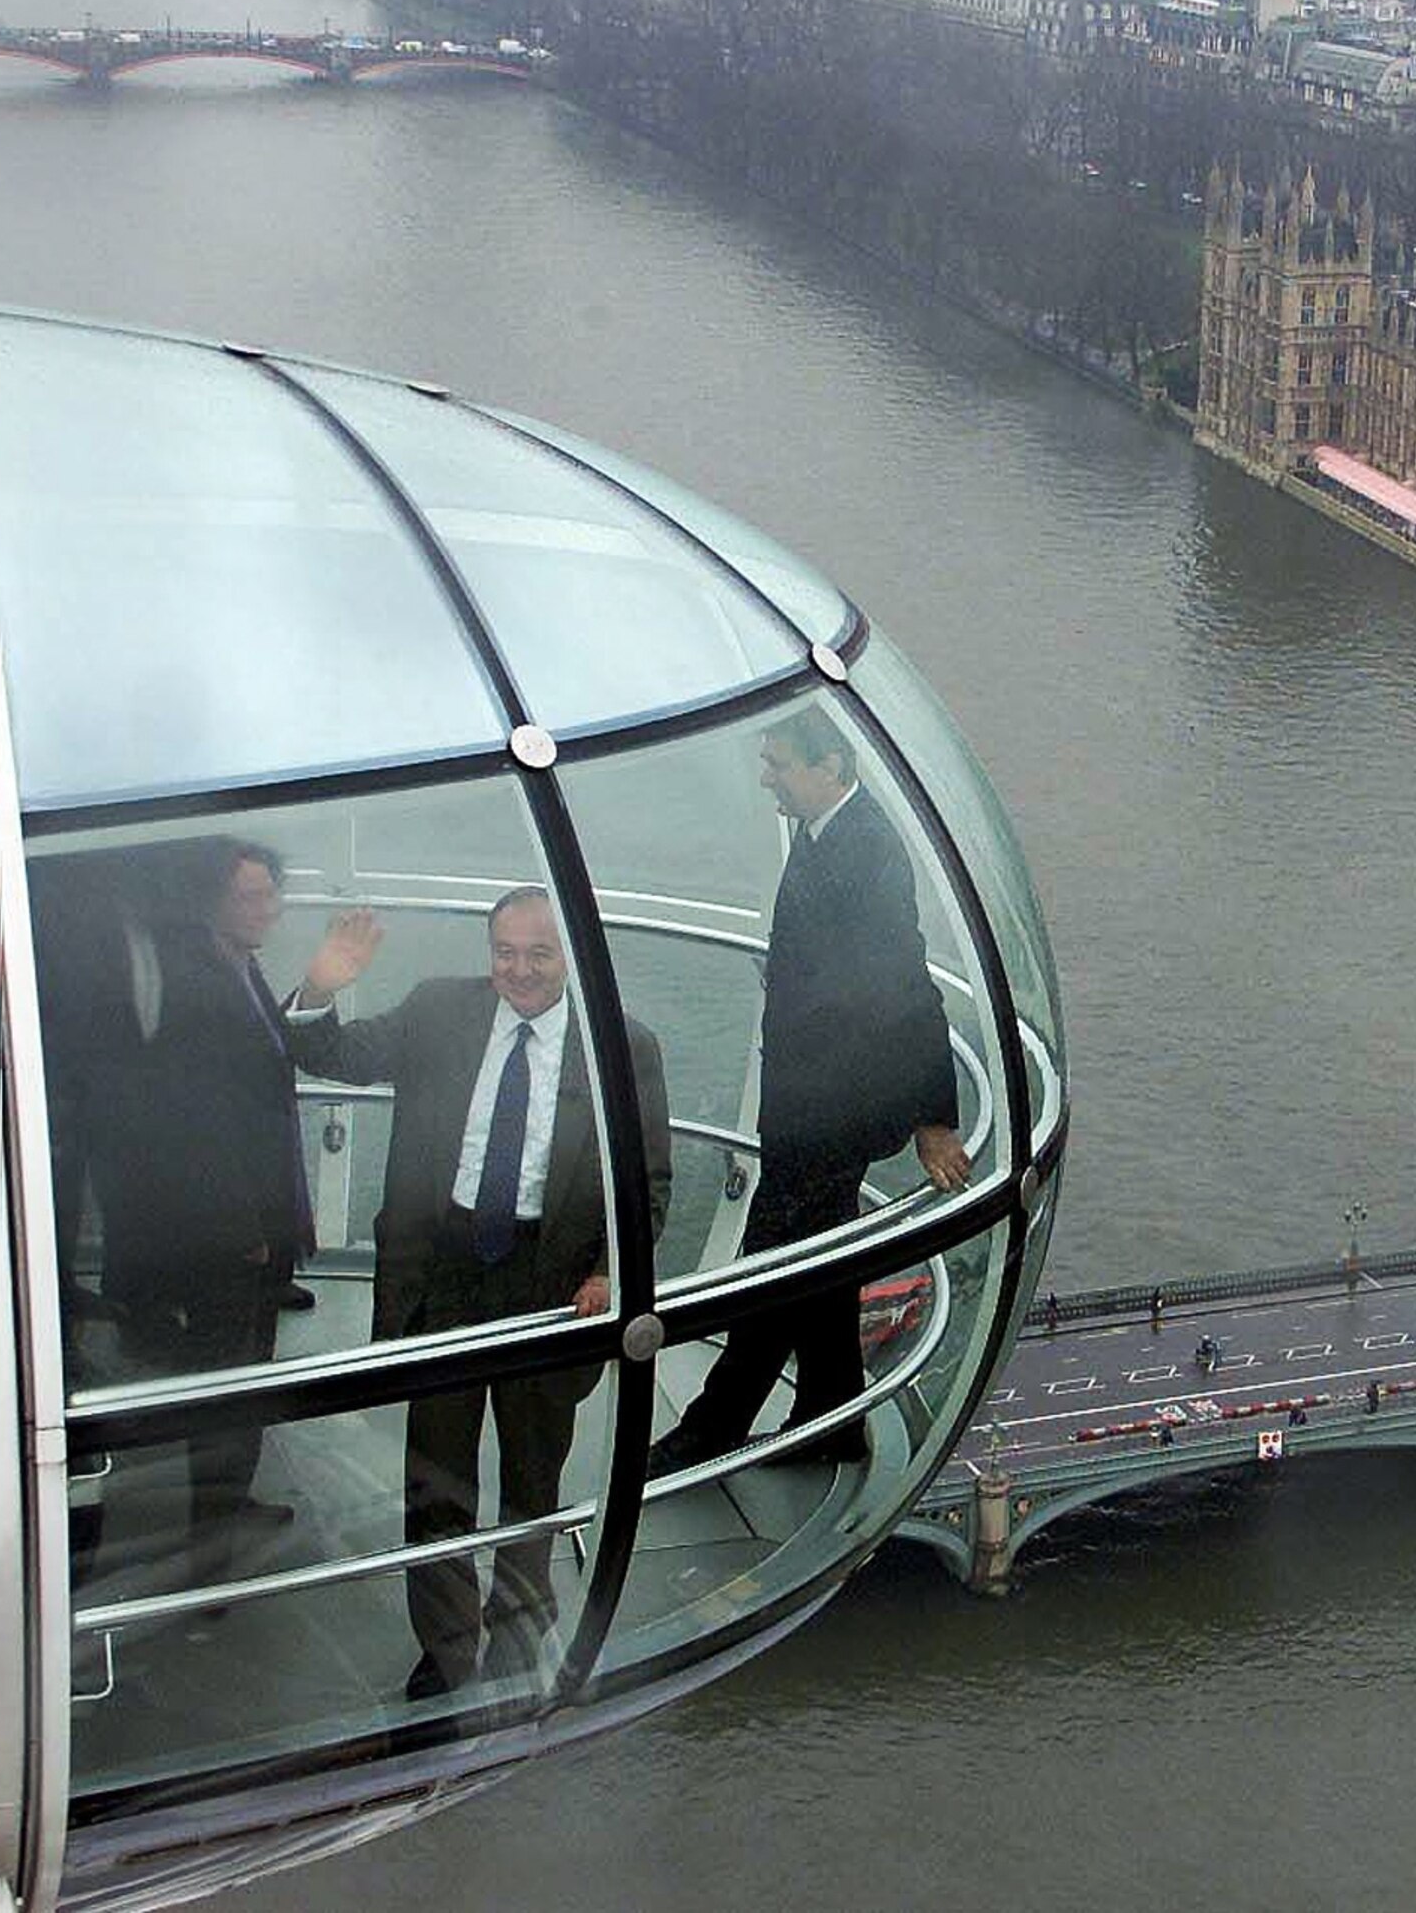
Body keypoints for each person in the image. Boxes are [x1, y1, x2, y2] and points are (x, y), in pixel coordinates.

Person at [286, 887, 671, 1703]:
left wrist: (608, 1271)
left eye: (539, 954)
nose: (520, 971)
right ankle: (448, 1648)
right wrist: (320, 988)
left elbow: (649, 1182)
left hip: (550, 1284)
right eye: (505, 953)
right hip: (447, 1273)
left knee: (534, 1475)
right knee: (435, 1477)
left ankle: (519, 1633)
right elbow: (336, 1057)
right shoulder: (438, 1013)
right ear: (487, 950)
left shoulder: (622, 1046)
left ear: (570, 956)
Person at [650, 711, 965, 1472]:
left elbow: (909, 989)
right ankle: (831, 1422)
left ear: (832, 766)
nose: (768, 778)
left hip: (836, 1112)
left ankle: (713, 1427)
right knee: (820, 1269)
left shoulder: (867, 851)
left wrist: (935, 1120)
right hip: (808, 1101)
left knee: (775, 1265)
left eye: (780, 766)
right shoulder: (825, 827)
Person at [86, 839, 311, 1585]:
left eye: (271, 894)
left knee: (246, 1374)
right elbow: (197, 1126)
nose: (270, 908)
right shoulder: (197, 986)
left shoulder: (235, 966)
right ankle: (211, 1542)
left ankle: (229, 1506)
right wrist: (242, 1233)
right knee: (227, 1381)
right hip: (229, 1236)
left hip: (254, 1226)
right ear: (211, 900)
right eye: (254, 896)